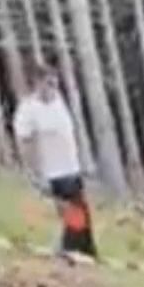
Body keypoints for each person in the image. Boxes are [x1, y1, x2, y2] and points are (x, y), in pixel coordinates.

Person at [11, 63, 96, 259]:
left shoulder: (58, 102)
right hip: (51, 172)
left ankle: (80, 252)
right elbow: (25, 142)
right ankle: (67, 253)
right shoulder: (29, 109)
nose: (53, 88)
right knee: (70, 214)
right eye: (49, 84)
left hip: (70, 167)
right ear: (38, 83)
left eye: (55, 84)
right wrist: (34, 172)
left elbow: (68, 135)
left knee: (80, 214)